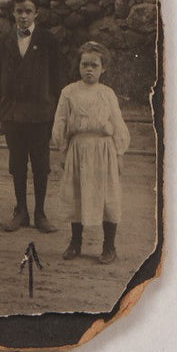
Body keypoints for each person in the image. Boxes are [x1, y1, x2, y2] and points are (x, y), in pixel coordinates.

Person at [51, 41, 131, 264]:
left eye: (94, 65)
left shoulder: (107, 94)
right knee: (77, 194)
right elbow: (61, 121)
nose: (89, 69)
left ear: (103, 68)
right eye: (84, 64)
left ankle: (109, 247)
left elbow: (117, 122)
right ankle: (75, 243)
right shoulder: (69, 92)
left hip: (103, 150)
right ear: (78, 66)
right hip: (78, 148)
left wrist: (119, 154)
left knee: (107, 197)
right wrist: (62, 150)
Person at [0, 0, 64, 234]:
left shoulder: (48, 40)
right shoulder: (3, 41)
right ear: (13, 13)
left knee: (41, 165)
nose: (23, 16)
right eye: (19, 11)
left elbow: (57, 79)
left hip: (40, 114)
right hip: (13, 115)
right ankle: (20, 211)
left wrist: (56, 115)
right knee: (17, 164)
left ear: (36, 14)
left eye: (28, 11)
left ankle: (40, 213)